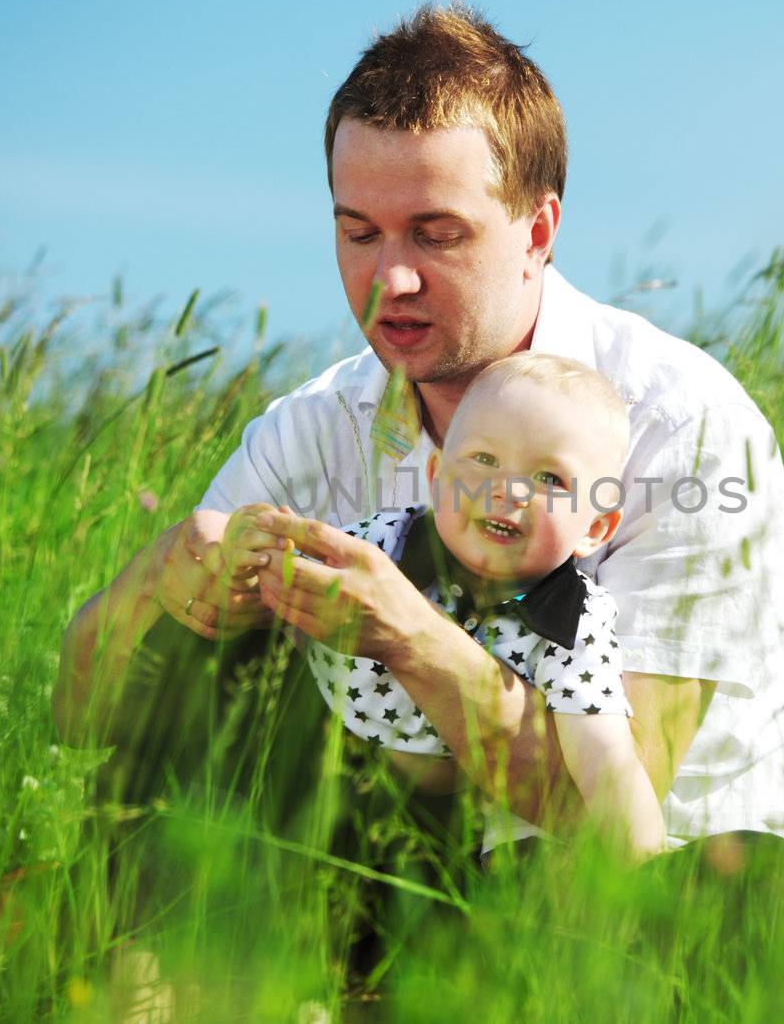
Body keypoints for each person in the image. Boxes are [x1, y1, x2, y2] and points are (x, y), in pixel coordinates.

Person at [54, 0, 784, 875]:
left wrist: (408, 637)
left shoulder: (682, 426)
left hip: (650, 893)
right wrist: (157, 580)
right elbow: (80, 719)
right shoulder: (314, 429)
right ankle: (158, 980)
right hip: (404, 866)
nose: (392, 279)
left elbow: (611, 808)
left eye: (436, 233)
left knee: (738, 893)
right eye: (358, 232)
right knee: (220, 624)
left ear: (537, 232)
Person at [239, 352, 665, 861]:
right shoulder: (383, 544)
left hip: (435, 826)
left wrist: (642, 863)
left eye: (550, 479)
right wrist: (259, 552)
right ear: (438, 474)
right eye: (484, 460)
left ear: (594, 528)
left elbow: (603, 755)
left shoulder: (573, 623)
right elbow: (284, 594)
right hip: (314, 762)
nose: (507, 490)